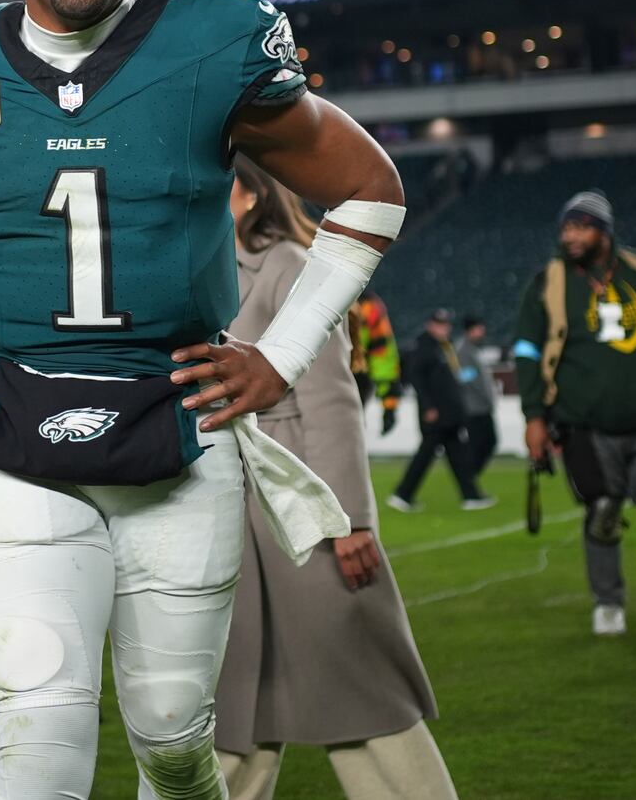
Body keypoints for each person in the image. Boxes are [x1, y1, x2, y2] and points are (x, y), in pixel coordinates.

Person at [0, 0, 404, 800]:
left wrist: (282, 355)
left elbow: (370, 192)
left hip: (179, 427)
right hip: (13, 433)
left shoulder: (211, 45)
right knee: (37, 729)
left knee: (172, 736)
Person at [215, 160, 453, 800]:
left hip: (298, 505)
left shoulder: (291, 262)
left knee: (362, 689)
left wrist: (348, 520)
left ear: (246, 193)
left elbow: (330, 398)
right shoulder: (199, 269)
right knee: (236, 707)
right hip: (223, 507)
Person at [513, 190, 636, 638]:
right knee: (604, 511)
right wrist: (534, 415)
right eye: (566, 227)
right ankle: (608, 602)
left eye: (581, 226)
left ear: (605, 231)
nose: (570, 235)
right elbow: (528, 350)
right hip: (585, 423)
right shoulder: (549, 281)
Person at [388, 309, 491, 512]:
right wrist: (428, 406)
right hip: (436, 414)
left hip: (449, 413)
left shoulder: (443, 346)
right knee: (427, 455)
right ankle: (402, 494)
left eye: (446, 324)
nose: (444, 328)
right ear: (430, 325)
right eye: (439, 324)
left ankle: (470, 495)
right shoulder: (424, 347)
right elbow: (417, 379)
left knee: (455, 455)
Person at [454, 315, 500, 481]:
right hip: (474, 407)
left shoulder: (472, 349)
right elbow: (467, 378)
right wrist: (485, 397)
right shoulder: (464, 350)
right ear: (471, 330)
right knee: (481, 444)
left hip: (480, 406)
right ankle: (469, 478)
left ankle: (470, 477)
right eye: (480, 328)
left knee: (485, 443)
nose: (483, 331)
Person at [353, 292, 402, 434]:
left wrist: (389, 403)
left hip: (352, 378)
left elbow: (382, 355)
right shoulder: (367, 306)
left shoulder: (369, 308)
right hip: (344, 377)